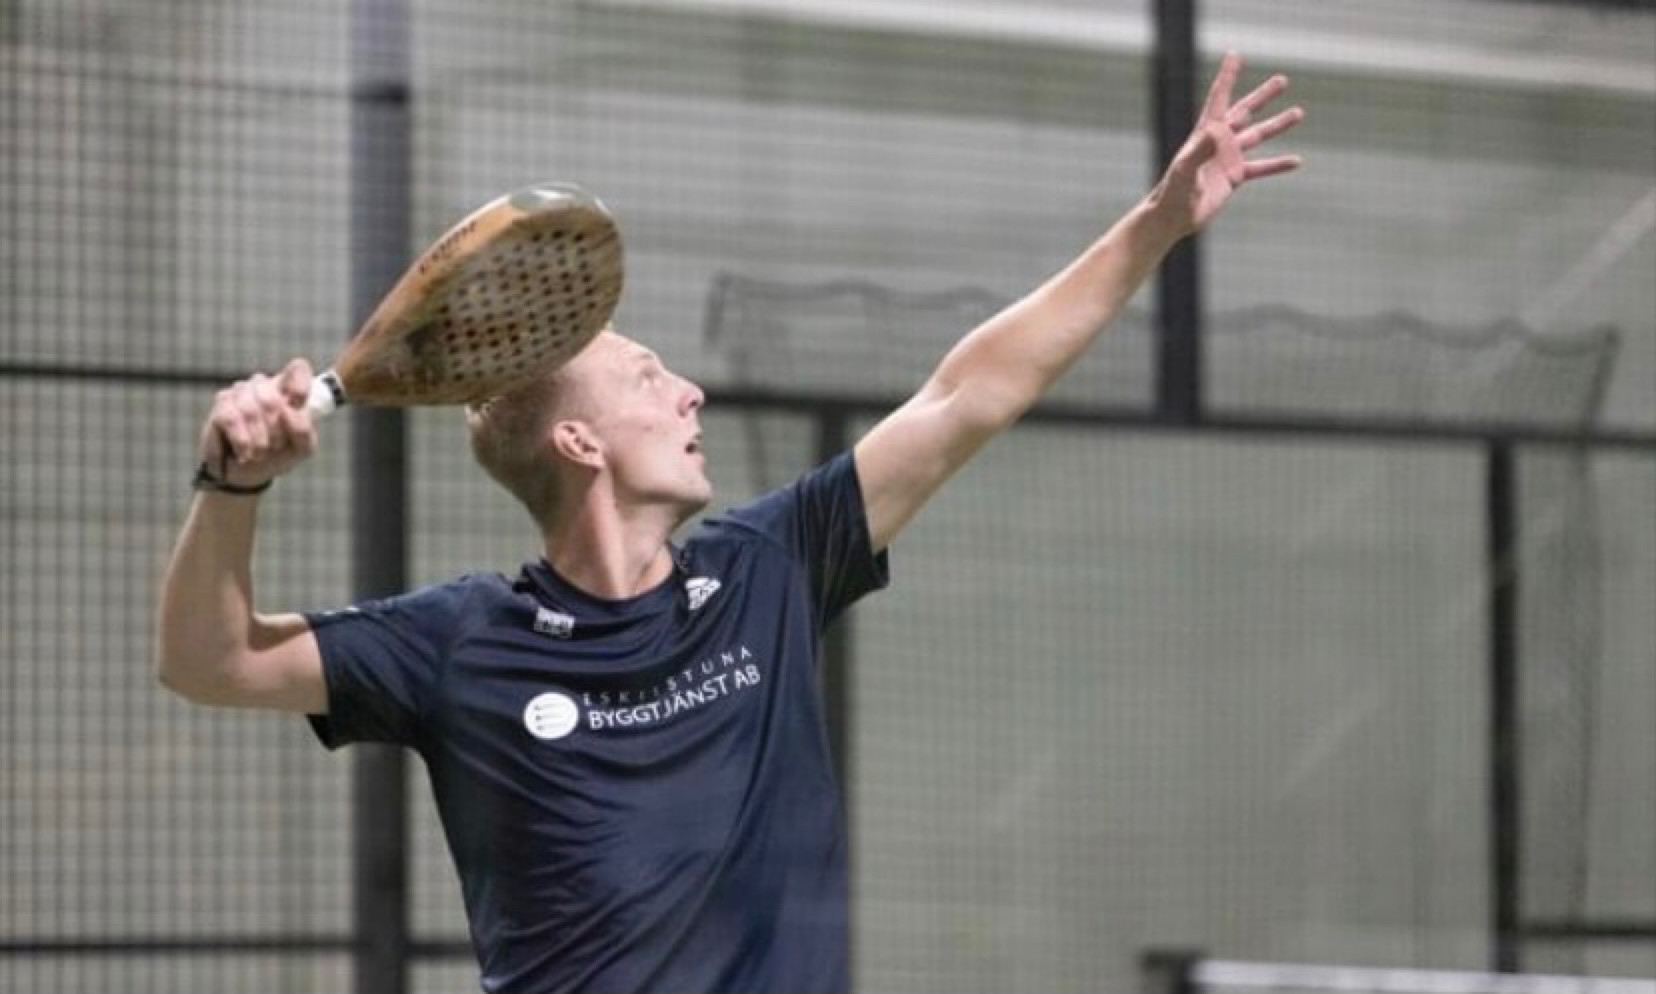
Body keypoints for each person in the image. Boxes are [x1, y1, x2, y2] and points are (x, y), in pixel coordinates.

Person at [157, 53, 1302, 994]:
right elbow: (210, 658)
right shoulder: (460, 641)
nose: (689, 393)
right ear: (580, 443)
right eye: (649, 377)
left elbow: (969, 393)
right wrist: (231, 486)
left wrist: (1156, 225)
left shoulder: (769, 567)